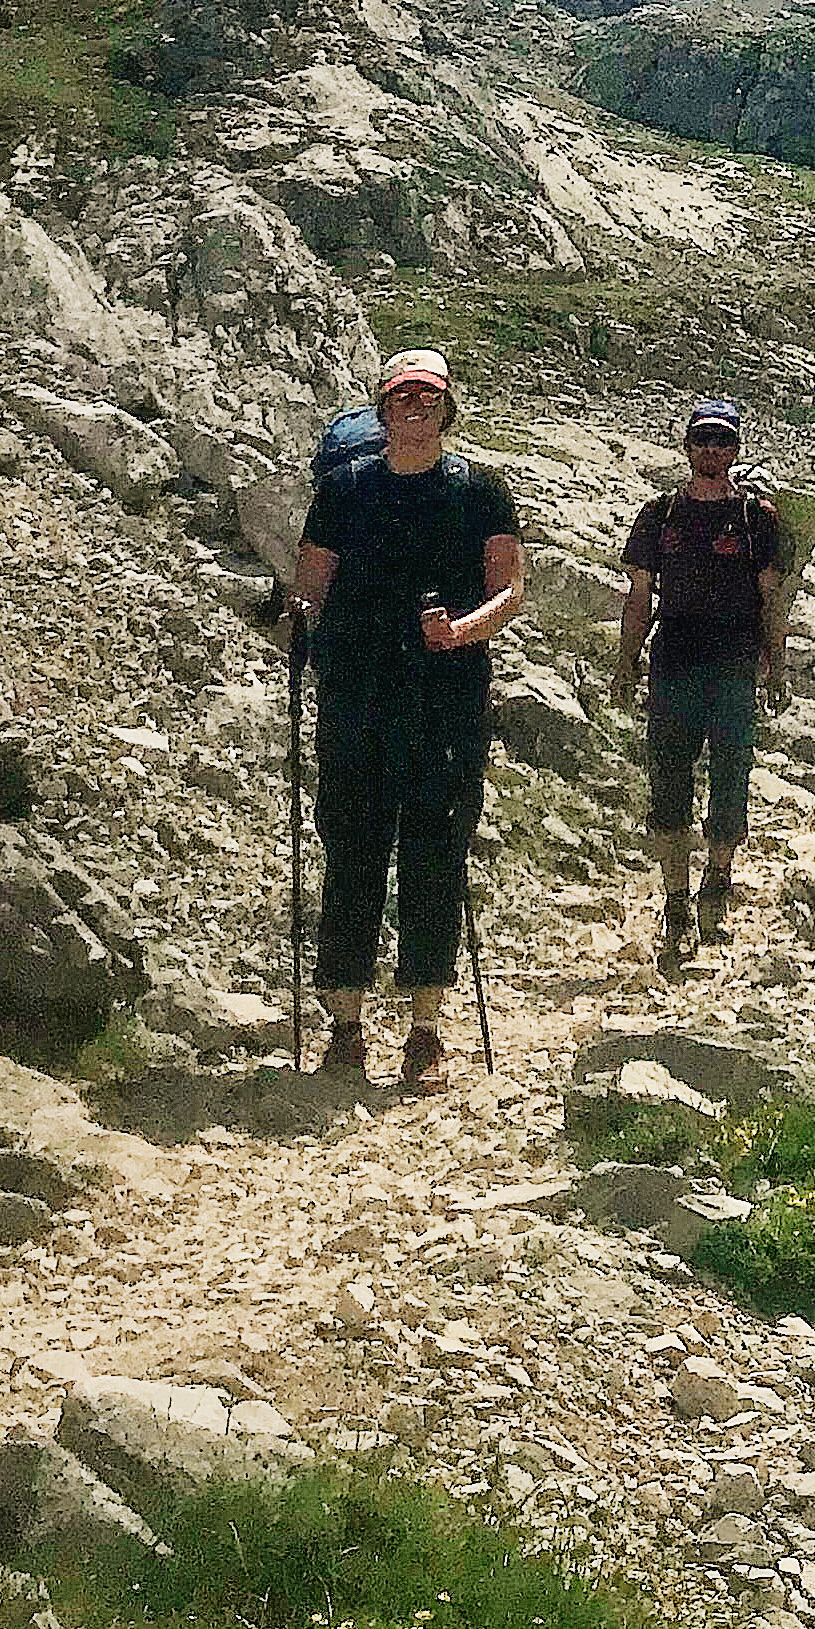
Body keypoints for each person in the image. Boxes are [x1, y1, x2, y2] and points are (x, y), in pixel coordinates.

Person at [289, 347, 525, 1091]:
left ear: (447, 408)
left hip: (445, 695)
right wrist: (301, 624)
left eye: (427, 399)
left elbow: (510, 591)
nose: (415, 411)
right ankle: (347, 1026)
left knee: (436, 849)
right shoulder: (345, 489)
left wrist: (461, 631)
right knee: (353, 845)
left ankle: (424, 1028)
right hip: (360, 688)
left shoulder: (480, 491)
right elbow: (311, 582)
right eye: (402, 399)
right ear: (383, 409)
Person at [618, 396, 795, 972]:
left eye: (722, 441)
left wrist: (778, 664)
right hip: (674, 661)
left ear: (735, 449)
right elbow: (640, 597)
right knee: (668, 780)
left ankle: (716, 881)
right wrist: (627, 663)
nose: (712, 450)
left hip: (734, 665)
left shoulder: (756, 519)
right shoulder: (660, 514)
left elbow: (772, 597)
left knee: (730, 776)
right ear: (687, 446)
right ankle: (675, 899)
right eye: (703, 440)